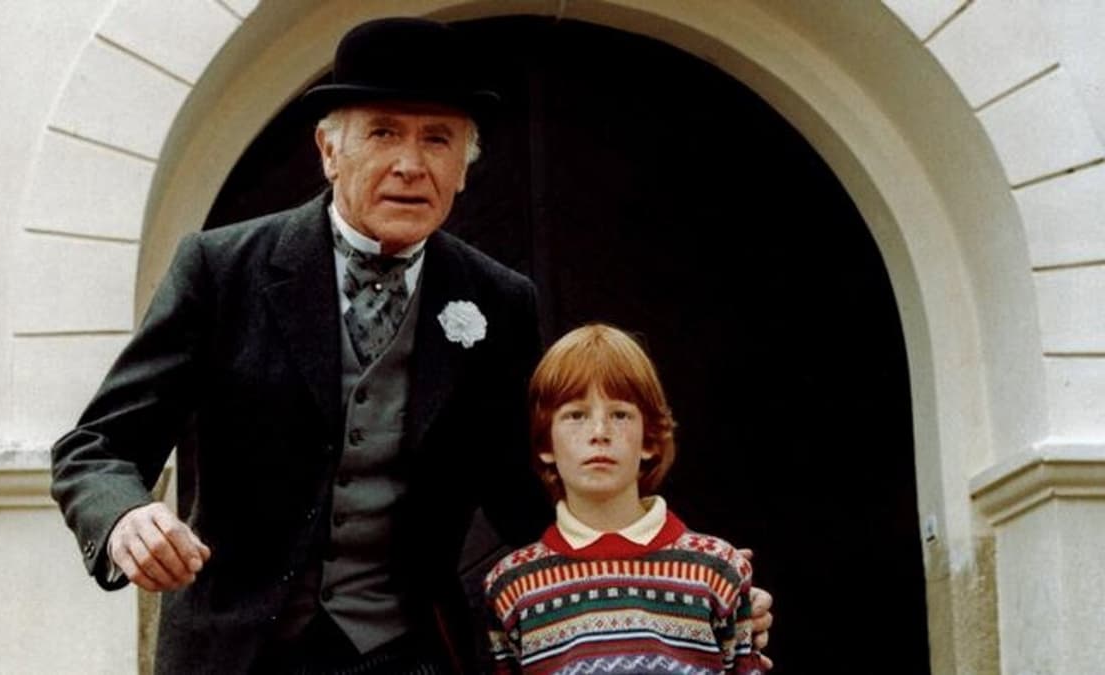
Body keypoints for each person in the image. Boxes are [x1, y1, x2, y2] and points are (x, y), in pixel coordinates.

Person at [50, 17, 771, 674]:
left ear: (464, 165)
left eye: (437, 139)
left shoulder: (499, 299)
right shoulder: (221, 270)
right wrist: (125, 518)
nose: (410, 163)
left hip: (407, 651)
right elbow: (96, 447)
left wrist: (672, 578)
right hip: (235, 652)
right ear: (329, 151)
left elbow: (531, 493)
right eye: (384, 133)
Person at [484, 324, 765, 674]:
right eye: (576, 415)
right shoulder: (511, 586)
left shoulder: (718, 570)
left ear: (649, 439)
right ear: (545, 444)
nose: (599, 433)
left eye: (619, 414)